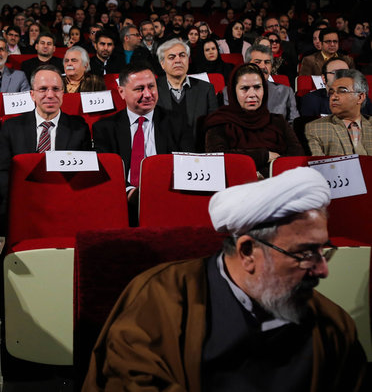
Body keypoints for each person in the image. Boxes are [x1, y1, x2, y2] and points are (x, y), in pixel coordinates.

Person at [82, 167, 367, 391]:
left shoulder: (333, 325)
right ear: (247, 251)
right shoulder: (157, 299)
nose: (321, 270)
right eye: (304, 254)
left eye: (322, 252)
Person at [0, 65, 91, 234]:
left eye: (56, 89)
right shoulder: (11, 127)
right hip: (21, 202)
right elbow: (3, 173)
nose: (50, 95)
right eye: (43, 89)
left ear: (63, 93)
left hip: (65, 204)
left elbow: (84, 175)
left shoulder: (79, 127)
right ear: (32, 94)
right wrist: (23, 200)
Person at [92, 62, 193, 211]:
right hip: (121, 201)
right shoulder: (104, 128)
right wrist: (131, 193)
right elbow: (106, 172)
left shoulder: (177, 122)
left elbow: (187, 165)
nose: (148, 94)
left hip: (168, 200)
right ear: (122, 92)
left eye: (151, 86)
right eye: (139, 89)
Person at [204, 63, 303, 177]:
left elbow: (297, 156)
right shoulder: (219, 123)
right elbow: (218, 158)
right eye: (244, 88)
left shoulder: (278, 121)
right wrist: (264, 156)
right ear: (233, 91)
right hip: (236, 187)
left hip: (278, 185)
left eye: (257, 87)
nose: (252, 94)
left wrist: (263, 173)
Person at [156, 38, 218, 150]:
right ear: (162, 64)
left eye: (182, 55)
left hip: (197, 154)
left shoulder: (206, 89)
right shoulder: (152, 89)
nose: (178, 60)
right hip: (162, 155)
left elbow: (214, 128)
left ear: (188, 60)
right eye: (171, 57)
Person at [305, 69, 372, 156]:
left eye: (342, 91)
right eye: (331, 92)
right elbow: (318, 166)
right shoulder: (315, 129)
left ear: (360, 97)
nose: (333, 97)